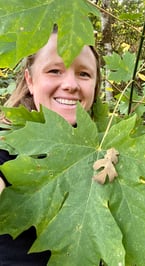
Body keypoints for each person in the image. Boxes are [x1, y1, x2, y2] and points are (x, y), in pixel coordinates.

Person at [0, 25, 101, 265]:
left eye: (84, 74)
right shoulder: (9, 142)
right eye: (55, 70)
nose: (71, 84)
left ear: (95, 87)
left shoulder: (105, 150)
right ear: (30, 80)